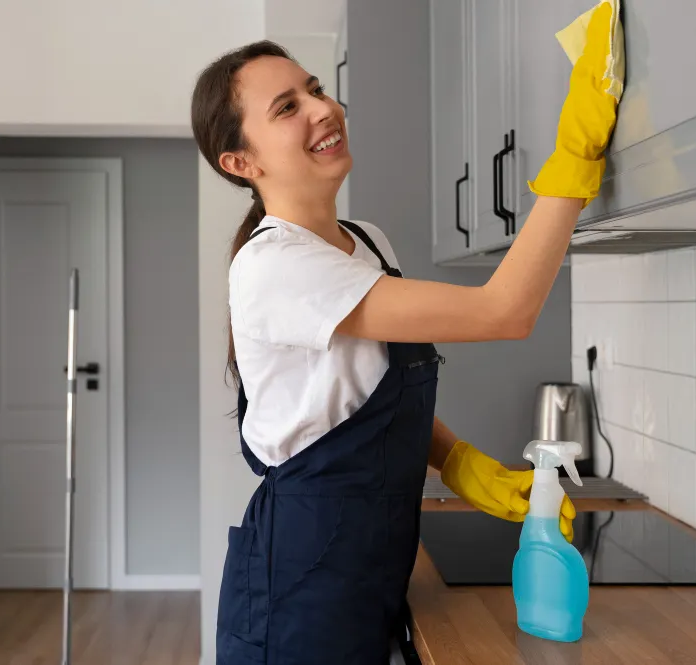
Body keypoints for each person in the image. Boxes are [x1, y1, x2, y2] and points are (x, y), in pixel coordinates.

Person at [191, 15, 620, 665]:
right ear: (241, 161)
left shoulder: (365, 242)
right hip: (298, 598)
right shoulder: (273, 266)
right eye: (288, 106)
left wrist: (459, 463)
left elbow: (361, 403)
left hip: (366, 572)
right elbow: (503, 312)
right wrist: (576, 153)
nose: (322, 108)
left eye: (314, 89)